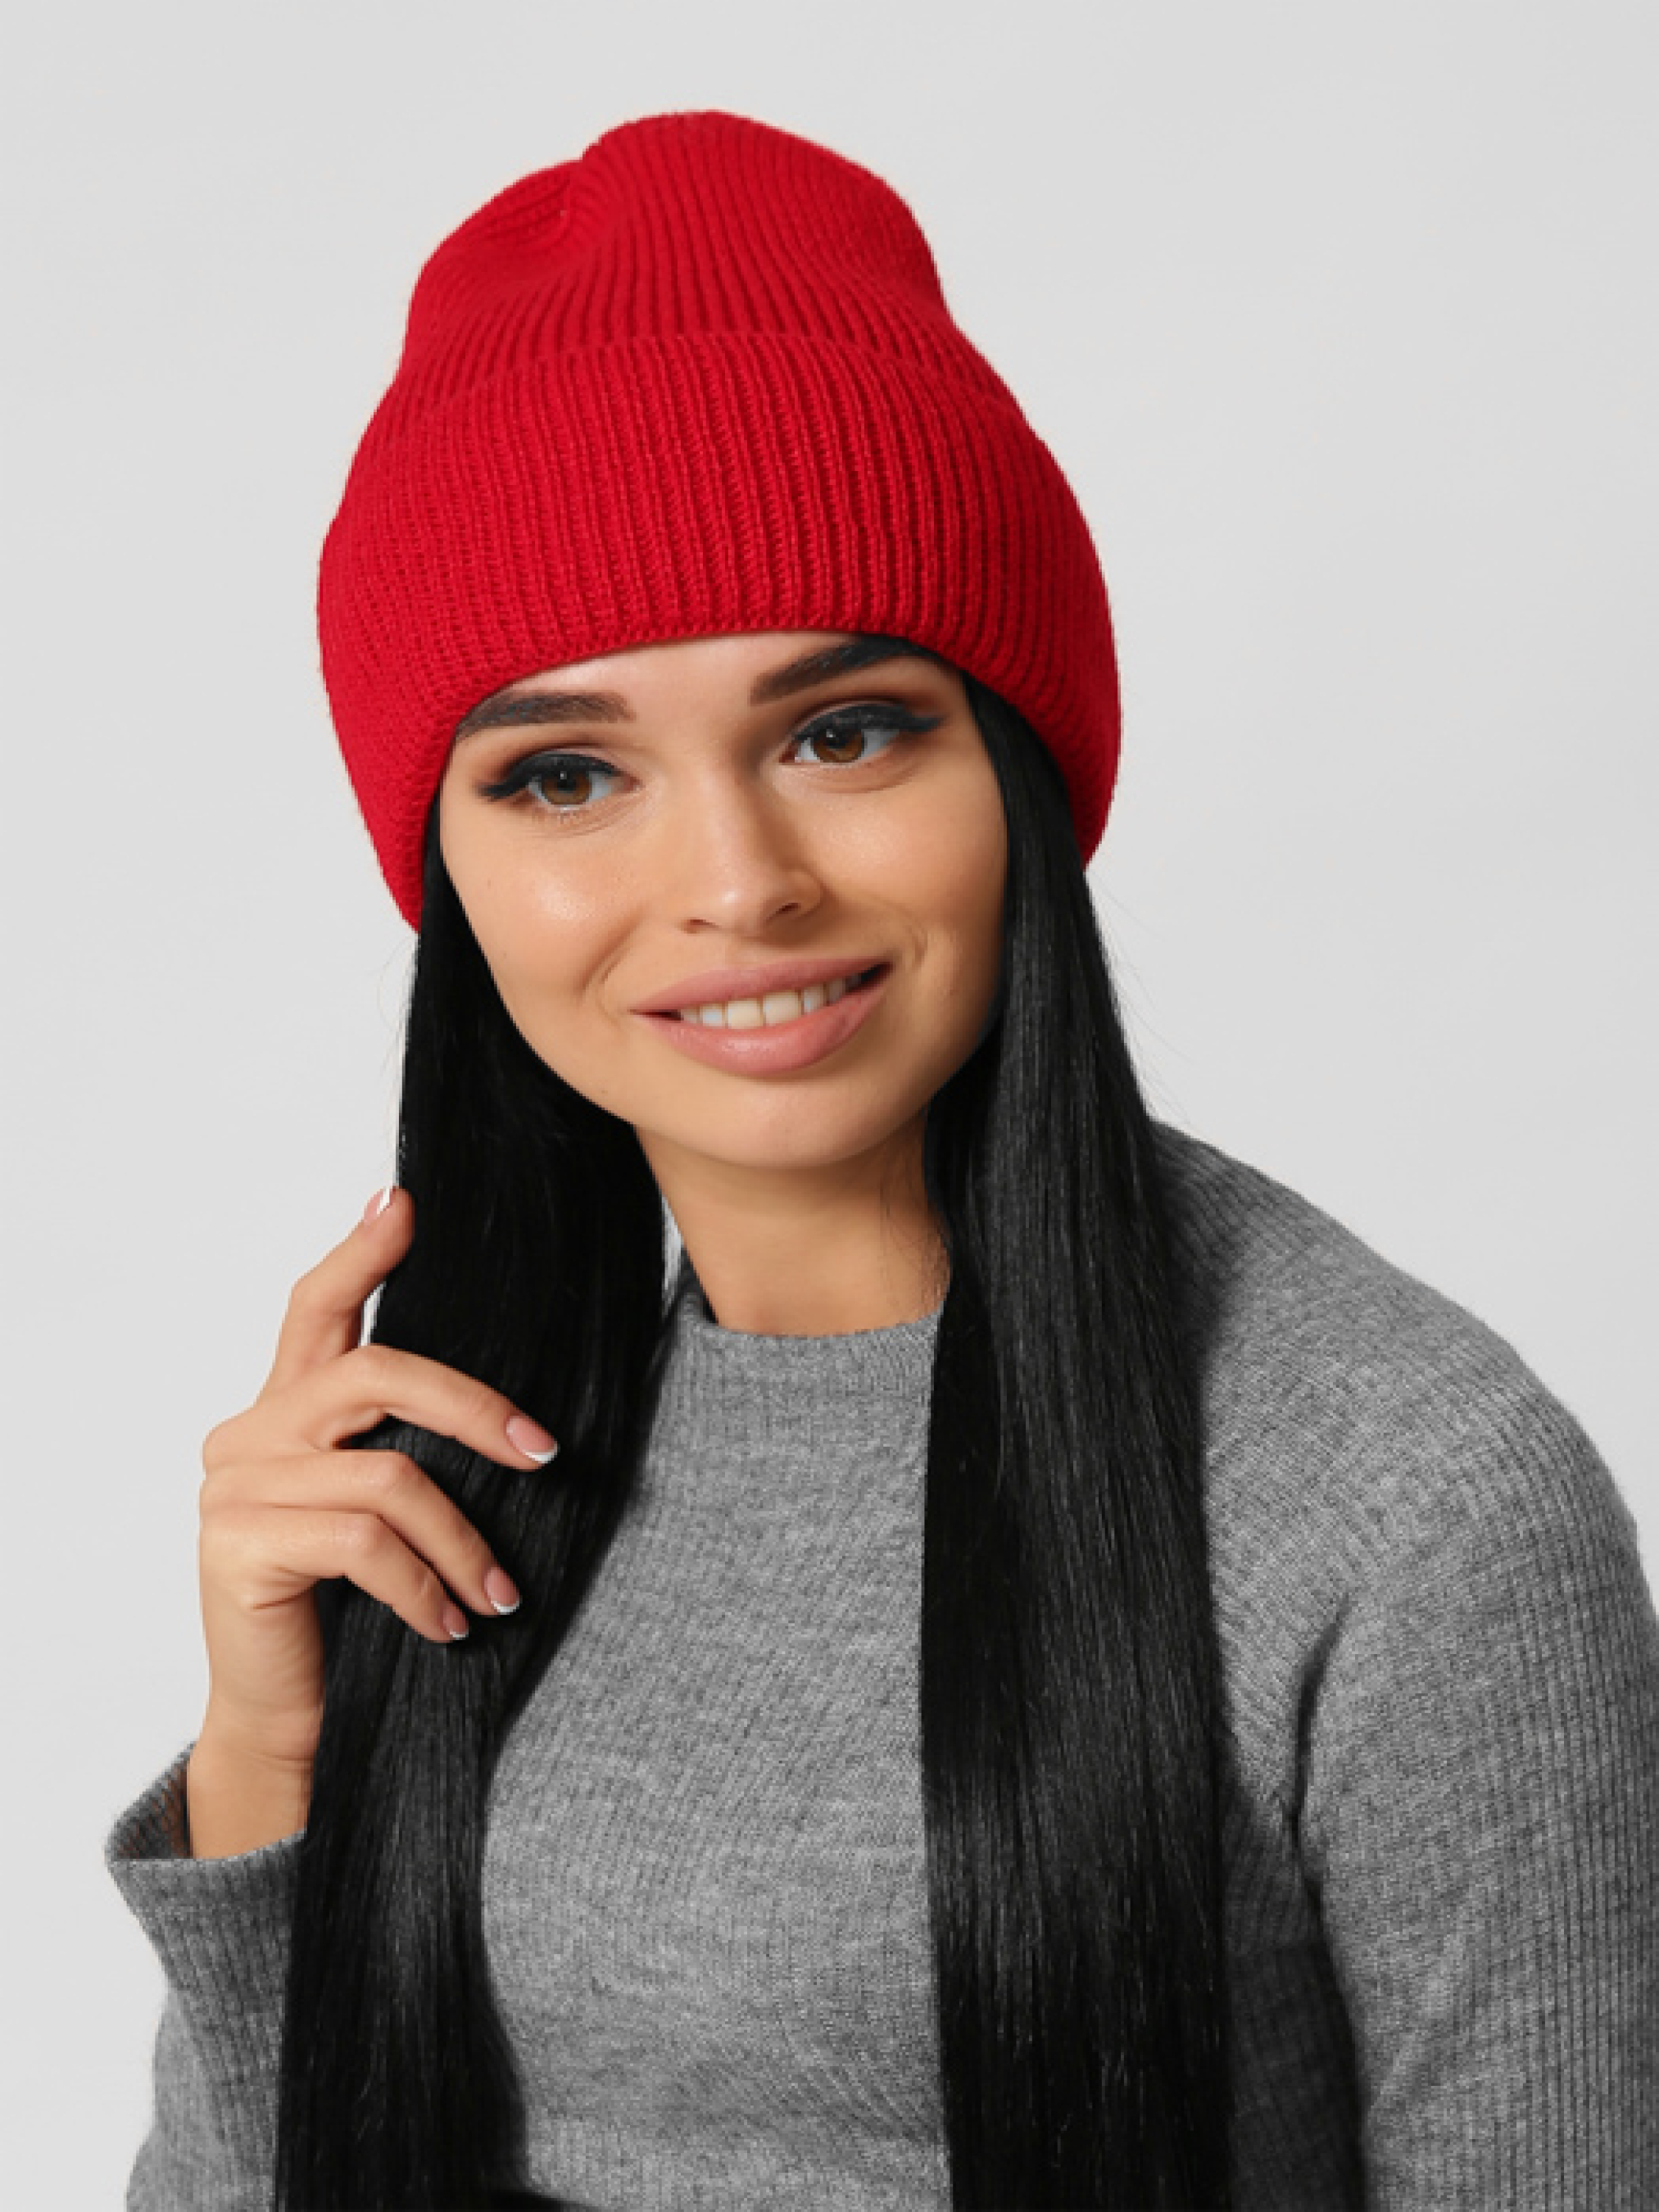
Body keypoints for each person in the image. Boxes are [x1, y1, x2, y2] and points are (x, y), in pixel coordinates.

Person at [103, 108, 1659, 2212]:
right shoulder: (442, 1452)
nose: (735, 882)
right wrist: (272, 1760)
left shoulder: (1405, 1502)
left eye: (841, 732)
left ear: (1018, 768)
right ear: (447, 869)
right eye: (563, 775)